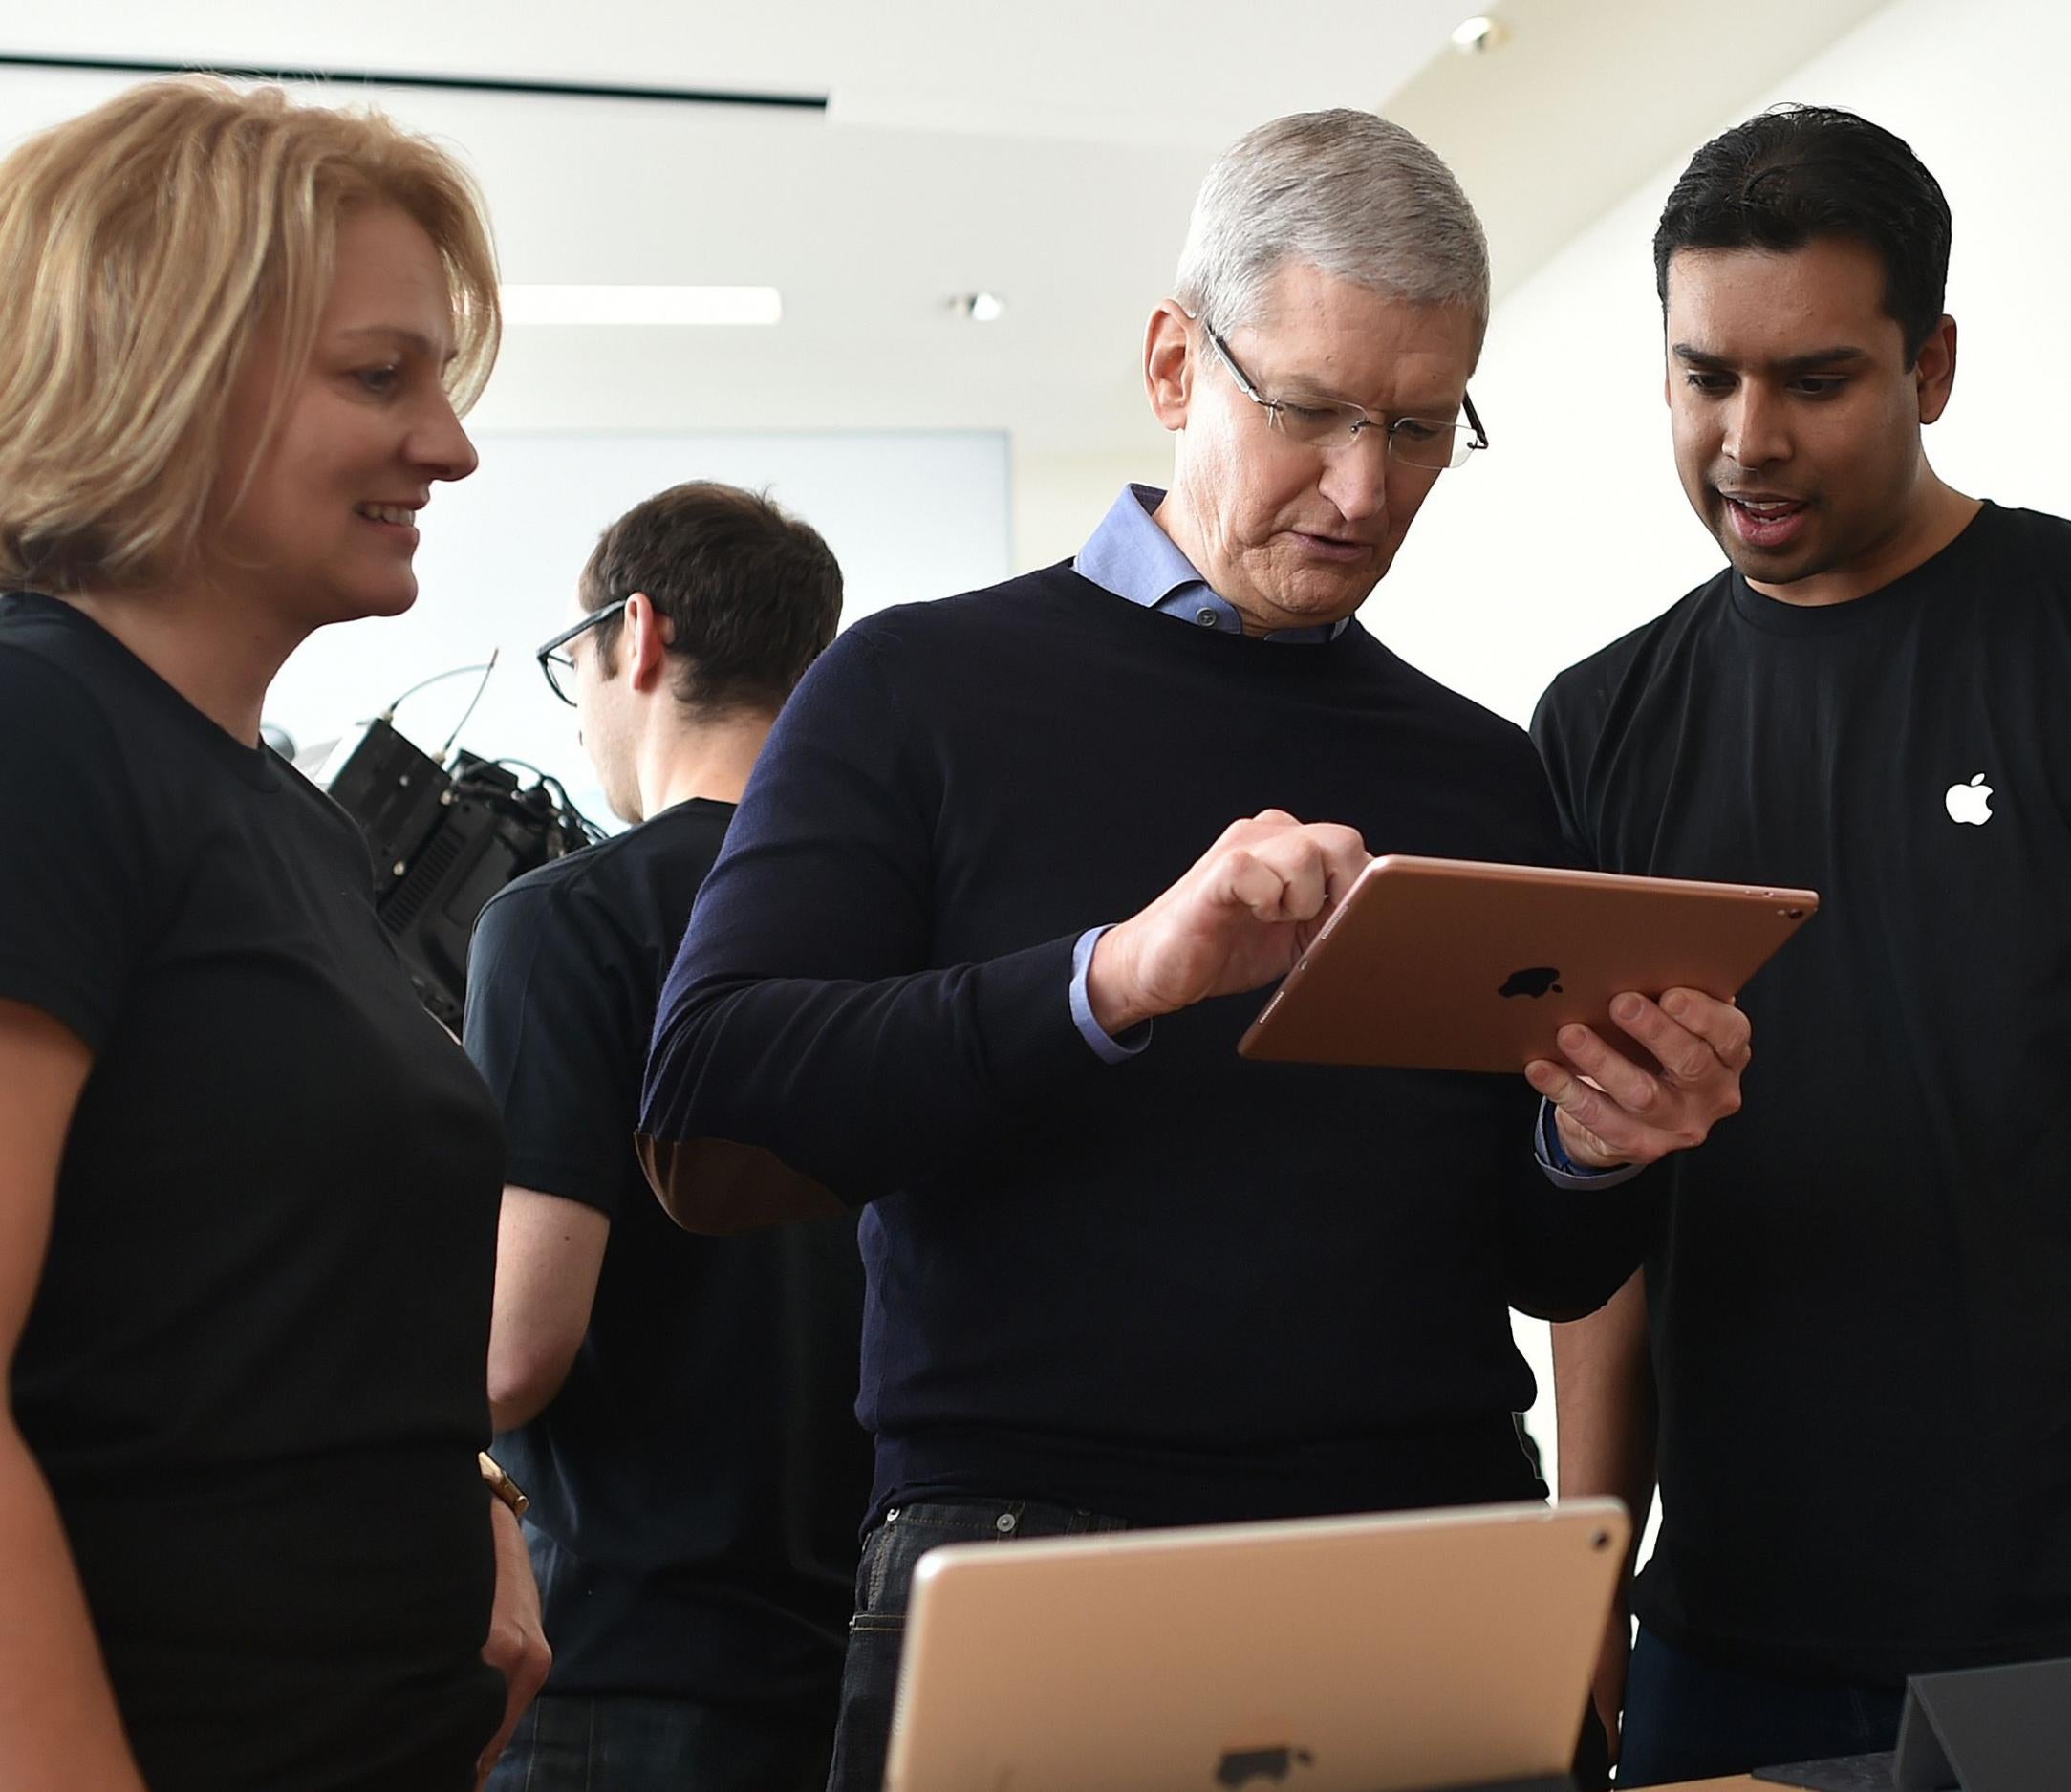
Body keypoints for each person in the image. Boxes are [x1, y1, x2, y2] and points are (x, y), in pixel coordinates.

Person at [637, 109, 1755, 1792]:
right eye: (1309, 412)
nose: (1367, 487)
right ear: (1177, 366)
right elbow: (712, 1104)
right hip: (1034, 1551)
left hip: (1434, 1555)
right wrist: (1114, 979)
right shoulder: (915, 693)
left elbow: (1540, 1267)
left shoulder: (1483, 771)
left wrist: (1601, 1143)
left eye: (1420, 426)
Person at [1534, 105, 2071, 1784]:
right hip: (1736, 1641)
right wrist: (1583, 1568)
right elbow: (1611, 1200)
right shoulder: (1597, 725)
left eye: (1816, 381)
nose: (1748, 438)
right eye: (1705, 377)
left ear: (1931, 363)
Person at [0, 78, 547, 1791]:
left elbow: (249, 1301)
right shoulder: (39, 738)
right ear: (155, 374)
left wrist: (472, 1495)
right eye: (380, 377)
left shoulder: (276, 817)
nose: (449, 444)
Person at [467, 483, 873, 1792]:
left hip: (628, 1683)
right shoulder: (912, 924)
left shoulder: (562, 924)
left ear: (633, 636)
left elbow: (517, 1351)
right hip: (870, 1666)